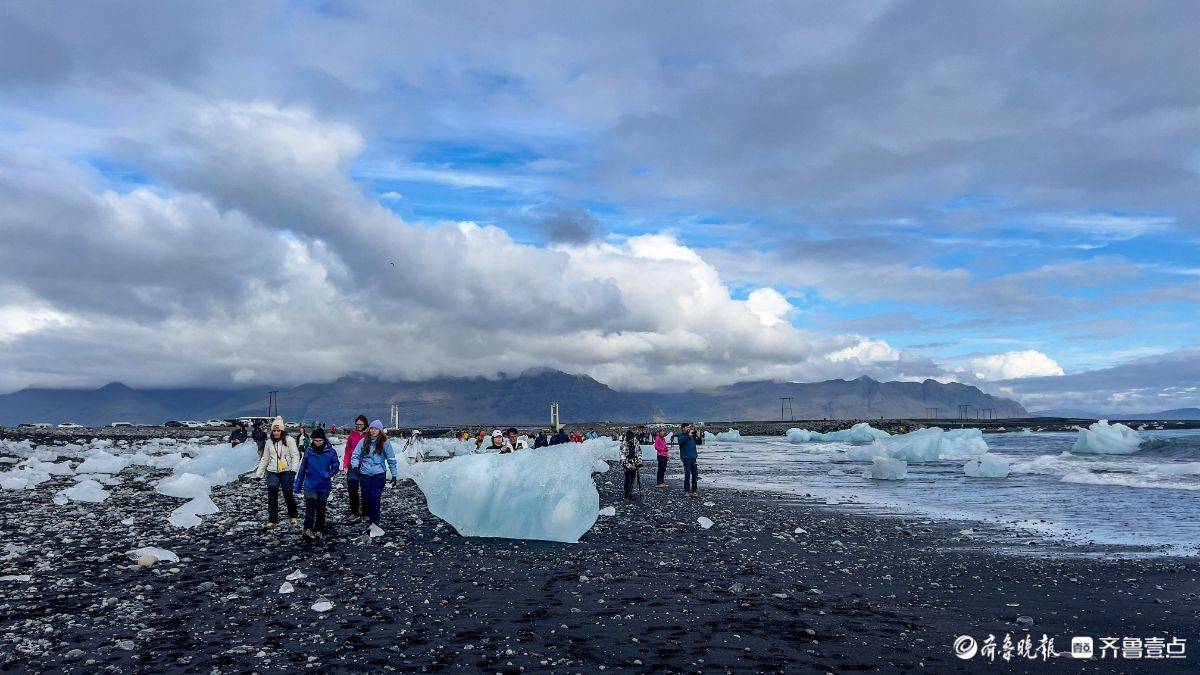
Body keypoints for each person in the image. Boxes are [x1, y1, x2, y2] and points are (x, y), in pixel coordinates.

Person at [293, 426, 340, 540]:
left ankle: (319, 529)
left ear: (324, 440)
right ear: (313, 440)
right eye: (316, 440)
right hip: (310, 485)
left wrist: (327, 474)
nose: (318, 443)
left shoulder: (330, 452)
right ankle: (307, 529)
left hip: (324, 486)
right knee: (310, 507)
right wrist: (298, 486)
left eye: (320, 440)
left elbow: (336, 466)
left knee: (321, 509)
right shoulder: (309, 452)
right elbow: (302, 469)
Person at [349, 420, 399, 527]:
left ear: (380, 430)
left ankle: (375, 523)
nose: (373, 430)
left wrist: (394, 475)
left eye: (376, 428)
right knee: (366, 498)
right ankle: (367, 516)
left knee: (374, 498)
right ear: (369, 429)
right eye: (372, 428)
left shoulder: (385, 442)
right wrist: (355, 467)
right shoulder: (363, 441)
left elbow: (391, 459)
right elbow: (355, 455)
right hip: (365, 473)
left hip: (379, 474)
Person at [255, 416, 301, 527]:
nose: (276, 433)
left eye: (278, 430)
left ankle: (293, 515)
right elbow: (265, 459)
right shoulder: (269, 442)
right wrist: (259, 473)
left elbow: (295, 455)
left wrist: (294, 469)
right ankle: (272, 519)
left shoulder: (289, 441)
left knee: (288, 494)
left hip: (286, 471)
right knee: (272, 495)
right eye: (274, 430)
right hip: (272, 471)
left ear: (282, 430)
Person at [342, 415, 368, 522]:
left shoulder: (370, 435)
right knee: (352, 486)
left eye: (361, 424)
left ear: (365, 424)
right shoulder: (352, 435)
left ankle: (366, 513)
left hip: (366, 465)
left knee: (366, 489)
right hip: (353, 465)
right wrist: (345, 465)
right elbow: (348, 451)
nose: (359, 426)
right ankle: (355, 512)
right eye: (357, 424)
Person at [678, 422, 699, 496]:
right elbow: (680, 441)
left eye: (689, 427)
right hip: (686, 457)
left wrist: (698, 437)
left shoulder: (691, 436)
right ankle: (687, 490)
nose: (689, 428)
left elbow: (698, 443)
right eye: (687, 427)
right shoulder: (681, 435)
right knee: (687, 474)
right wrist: (687, 435)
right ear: (683, 428)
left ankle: (694, 490)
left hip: (693, 457)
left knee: (695, 474)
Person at [621, 430, 642, 500]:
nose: (632, 440)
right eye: (630, 438)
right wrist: (630, 466)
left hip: (634, 463)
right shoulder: (623, 444)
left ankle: (630, 493)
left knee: (632, 479)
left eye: (632, 438)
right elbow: (623, 459)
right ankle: (627, 494)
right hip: (626, 464)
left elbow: (639, 452)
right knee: (627, 480)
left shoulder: (636, 442)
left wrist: (639, 462)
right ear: (627, 438)